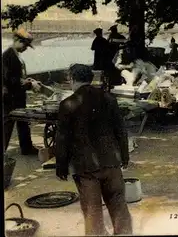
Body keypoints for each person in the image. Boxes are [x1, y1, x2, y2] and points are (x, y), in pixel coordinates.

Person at [56, 64, 132, 235]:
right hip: (112, 162)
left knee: (92, 212)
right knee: (119, 206)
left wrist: (61, 166)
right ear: (91, 79)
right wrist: (124, 156)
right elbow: (121, 130)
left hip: (86, 167)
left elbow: (62, 139)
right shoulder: (109, 98)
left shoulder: (67, 104)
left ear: (72, 79)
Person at [2, 28, 41, 155]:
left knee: (23, 121)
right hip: (10, 97)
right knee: (7, 125)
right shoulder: (8, 56)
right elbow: (10, 80)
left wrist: (28, 80)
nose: (26, 48)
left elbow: (17, 77)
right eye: (25, 44)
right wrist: (29, 84)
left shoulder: (15, 55)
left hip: (17, 96)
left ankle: (26, 148)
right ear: (17, 40)